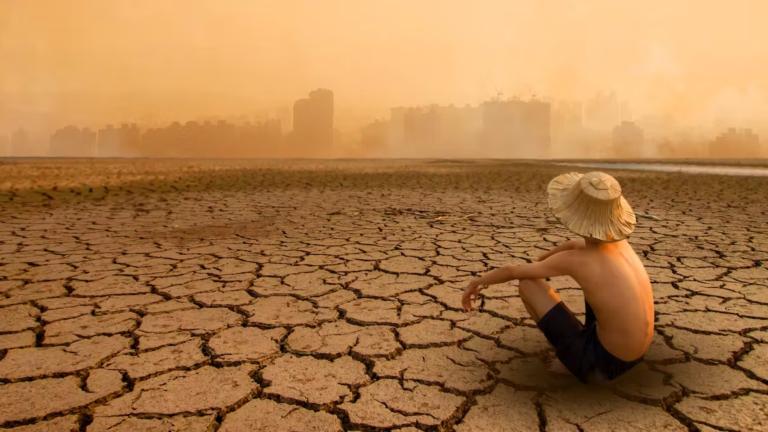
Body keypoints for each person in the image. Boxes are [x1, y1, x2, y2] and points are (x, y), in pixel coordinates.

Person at [462, 171, 654, 382]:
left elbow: (512, 271)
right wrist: (542, 261)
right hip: (636, 355)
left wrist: (476, 282)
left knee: (528, 283)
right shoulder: (619, 246)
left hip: (599, 365)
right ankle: (581, 346)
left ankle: (568, 358)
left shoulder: (578, 261)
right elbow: (573, 245)